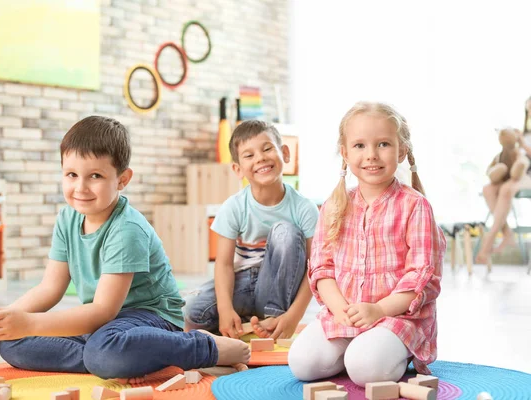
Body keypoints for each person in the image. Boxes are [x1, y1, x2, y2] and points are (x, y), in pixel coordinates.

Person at [0, 116, 249, 379]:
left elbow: (103, 310)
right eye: (71, 174)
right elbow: (49, 289)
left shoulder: (126, 228)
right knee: (12, 342)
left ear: (122, 180)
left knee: (102, 348)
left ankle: (201, 346)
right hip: (105, 326)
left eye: (95, 176)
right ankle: (125, 359)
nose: (80, 187)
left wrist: (29, 322)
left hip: (149, 318)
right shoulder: (68, 218)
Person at [288, 102, 446, 387]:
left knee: (365, 369)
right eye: (359, 145)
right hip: (345, 313)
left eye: (383, 144)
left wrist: (379, 310)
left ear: (401, 150)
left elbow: (422, 279)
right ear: (345, 153)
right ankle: (357, 348)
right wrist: (340, 310)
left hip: (395, 316)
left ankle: (395, 352)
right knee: (302, 364)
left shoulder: (416, 206)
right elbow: (322, 269)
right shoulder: (334, 206)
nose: (371, 155)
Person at [184, 120, 320, 340]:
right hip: (244, 281)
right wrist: (225, 309)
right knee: (194, 313)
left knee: (285, 232)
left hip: (280, 287)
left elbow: (315, 267)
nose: (260, 158)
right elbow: (224, 264)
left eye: (267, 149)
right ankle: (246, 316)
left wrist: (294, 315)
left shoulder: (305, 208)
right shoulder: (234, 207)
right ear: (238, 169)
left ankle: (273, 315)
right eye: (249, 155)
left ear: (285, 153)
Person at [476, 130, 531, 264]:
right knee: (488, 189)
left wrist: (523, 145)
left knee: (507, 189)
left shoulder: (522, 150)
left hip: (524, 176)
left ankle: (487, 244)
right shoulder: (522, 133)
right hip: (508, 175)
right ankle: (507, 232)